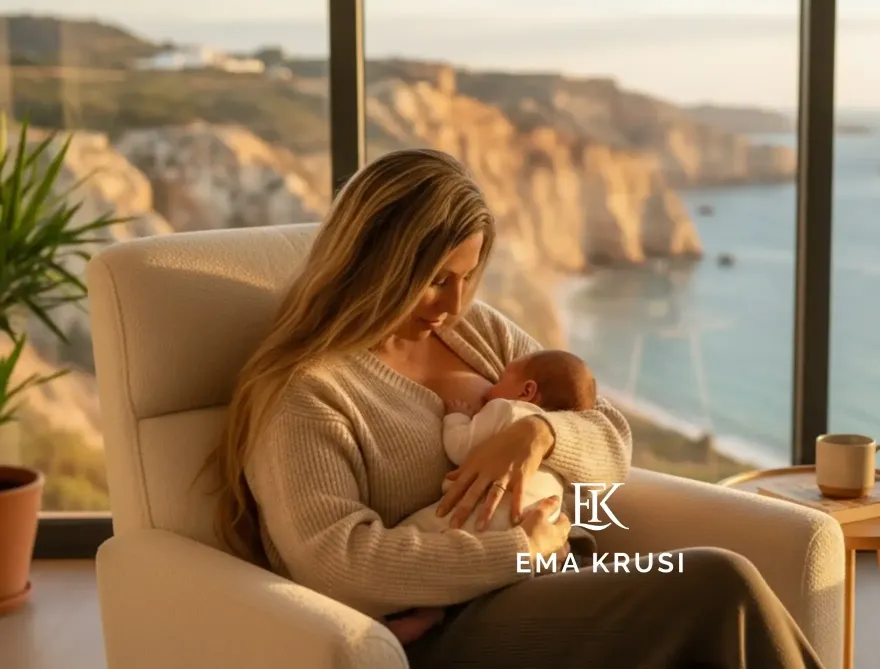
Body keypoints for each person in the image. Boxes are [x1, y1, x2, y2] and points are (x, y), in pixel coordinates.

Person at [207, 148, 826, 668]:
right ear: (372, 265)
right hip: (445, 627)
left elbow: (611, 443)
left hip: (558, 573)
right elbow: (335, 563)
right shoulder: (306, 390)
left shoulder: (476, 334)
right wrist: (518, 552)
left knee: (715, 598)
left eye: (465, 277)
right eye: (431, 279)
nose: (451, 303)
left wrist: (537, 437)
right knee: (717, 582)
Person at [386, 349, 597, 643]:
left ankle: (423, 615)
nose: (490, 388)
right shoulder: (561, 452)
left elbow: (460, 447)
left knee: (416, 532)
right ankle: (434, 614)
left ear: (527, 390)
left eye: (501, 378)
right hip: (544, 537)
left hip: (485, 519)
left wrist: (456, 416)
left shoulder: (507, 410)